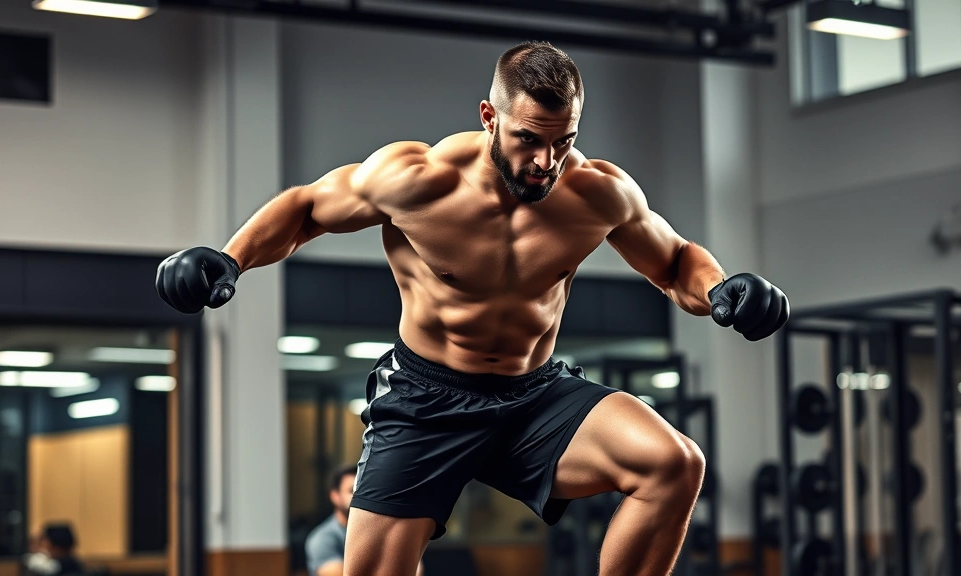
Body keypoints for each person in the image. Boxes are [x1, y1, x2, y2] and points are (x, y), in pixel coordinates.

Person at [156, 41, 789, 576]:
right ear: (490, 116)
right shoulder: (417, 180)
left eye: (563, 142)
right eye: (528, 140)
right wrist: (229, 259)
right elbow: (305, 208)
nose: (545, 162)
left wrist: (721, 291)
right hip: (426, 400)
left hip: (531, 395)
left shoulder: (597, 192)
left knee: (674, 464)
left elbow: (675, 261)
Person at [306, 465, 424, 576]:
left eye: (363, 491)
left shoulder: (378, 529)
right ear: (335, 496)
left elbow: (416, 569)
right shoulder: (322, 539)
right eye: (352, 491)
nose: (359, 497)